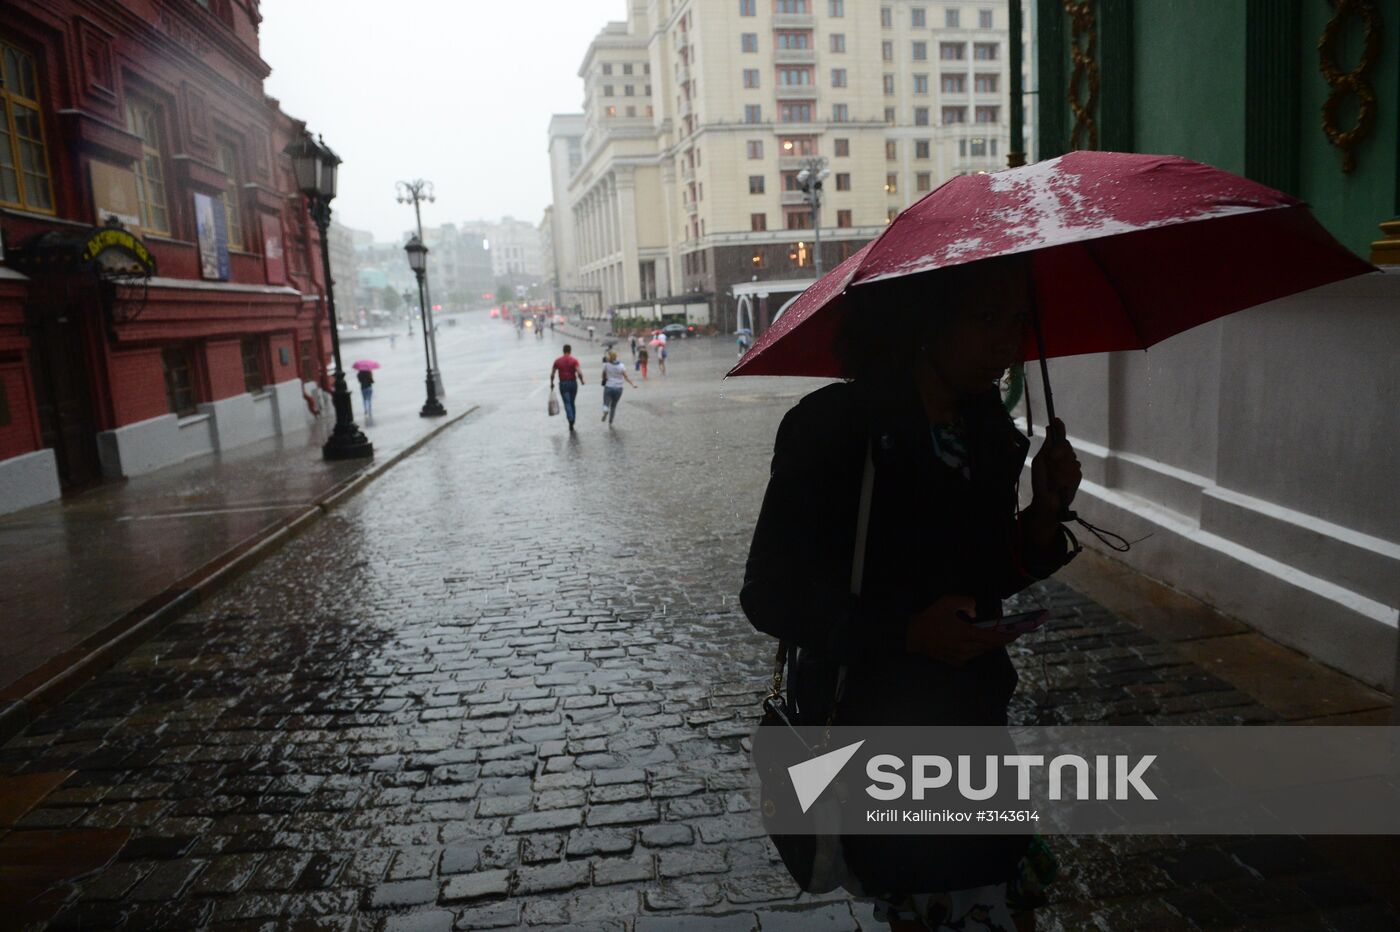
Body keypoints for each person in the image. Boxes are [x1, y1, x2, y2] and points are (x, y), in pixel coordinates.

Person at [740, 255, 1083, 932]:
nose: (1006, 341)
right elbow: (770, 593)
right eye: (986, 317)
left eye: (1016, 319)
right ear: (926, 321)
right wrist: (904, 631)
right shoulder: (836, 427)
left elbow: (984, 571)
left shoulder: (988, 435)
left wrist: (1044, 513)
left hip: (976, 722)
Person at [550, 344, 585, 431]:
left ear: (563, 351)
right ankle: (572, 420)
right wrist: (581, 380)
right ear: (570, 351)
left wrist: (551, 383)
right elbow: (579, 372)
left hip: (563, 384)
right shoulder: (574, 361)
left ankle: (570, 418)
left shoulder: (557, 361)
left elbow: (552, 373)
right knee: (572, 402)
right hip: (573, 384)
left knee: (567, 402)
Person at [600, 349, 636, 425]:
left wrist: (605, 378)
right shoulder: (621, 366)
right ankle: (610, 421)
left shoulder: (606, 365)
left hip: (609, 386)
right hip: (619, 388)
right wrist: (632, 384)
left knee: (606, 402)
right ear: (616, 356)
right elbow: (626, 376)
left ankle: (605, 410)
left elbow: (603, 376)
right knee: (613, 405)